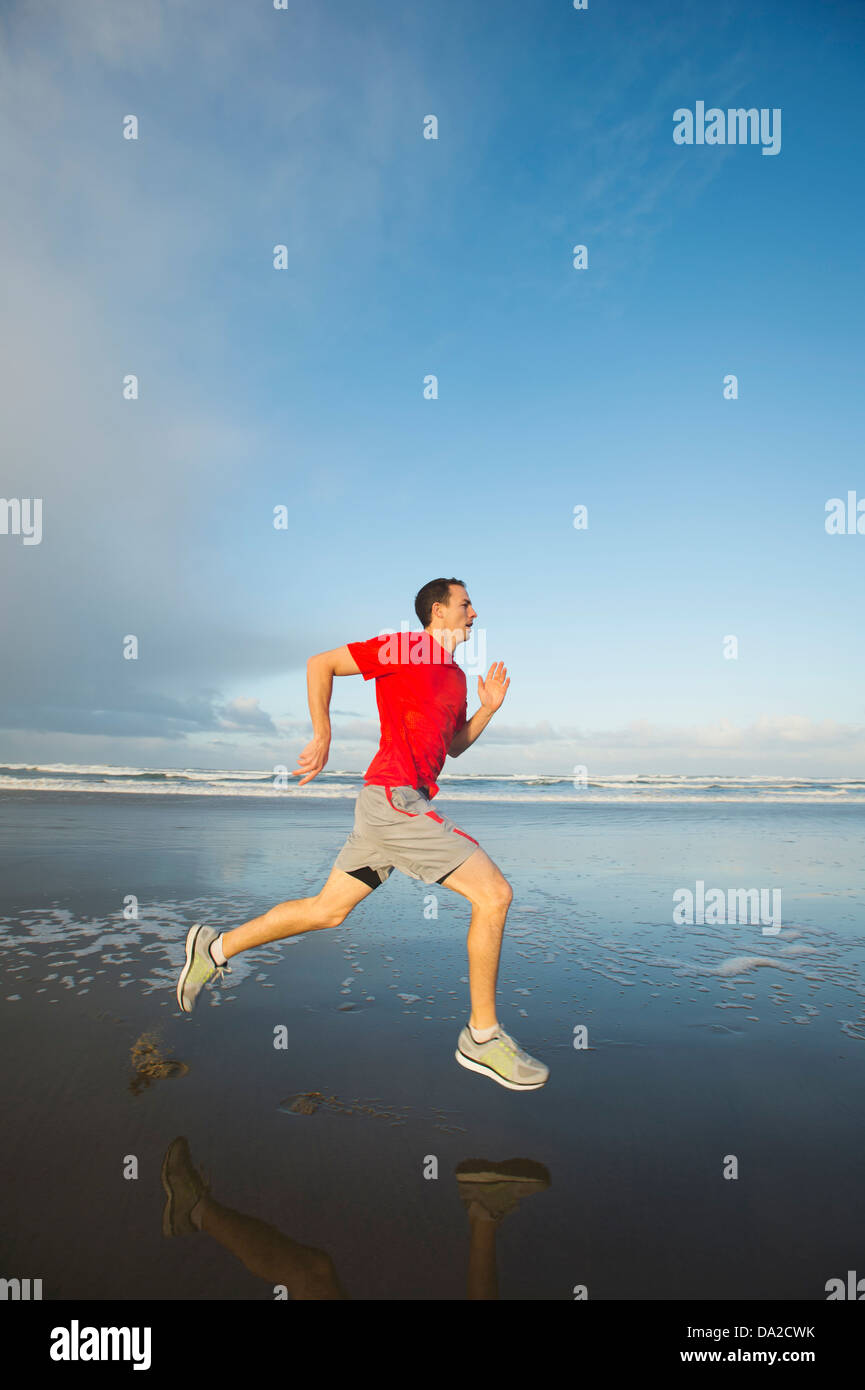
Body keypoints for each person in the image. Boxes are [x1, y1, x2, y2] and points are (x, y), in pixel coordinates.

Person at [176, 578, 548, 1091]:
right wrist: (323, 732)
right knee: (495, 894)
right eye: (465, 604)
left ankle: (213, 949)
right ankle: (482, 1038)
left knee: (327, 911)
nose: (474, 613)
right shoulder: (405, 647)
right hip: (393, 800)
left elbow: (455, 745)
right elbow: (320, 664)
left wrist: (487, 707)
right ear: (437, 611)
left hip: (394, 806)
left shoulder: (458, 678)